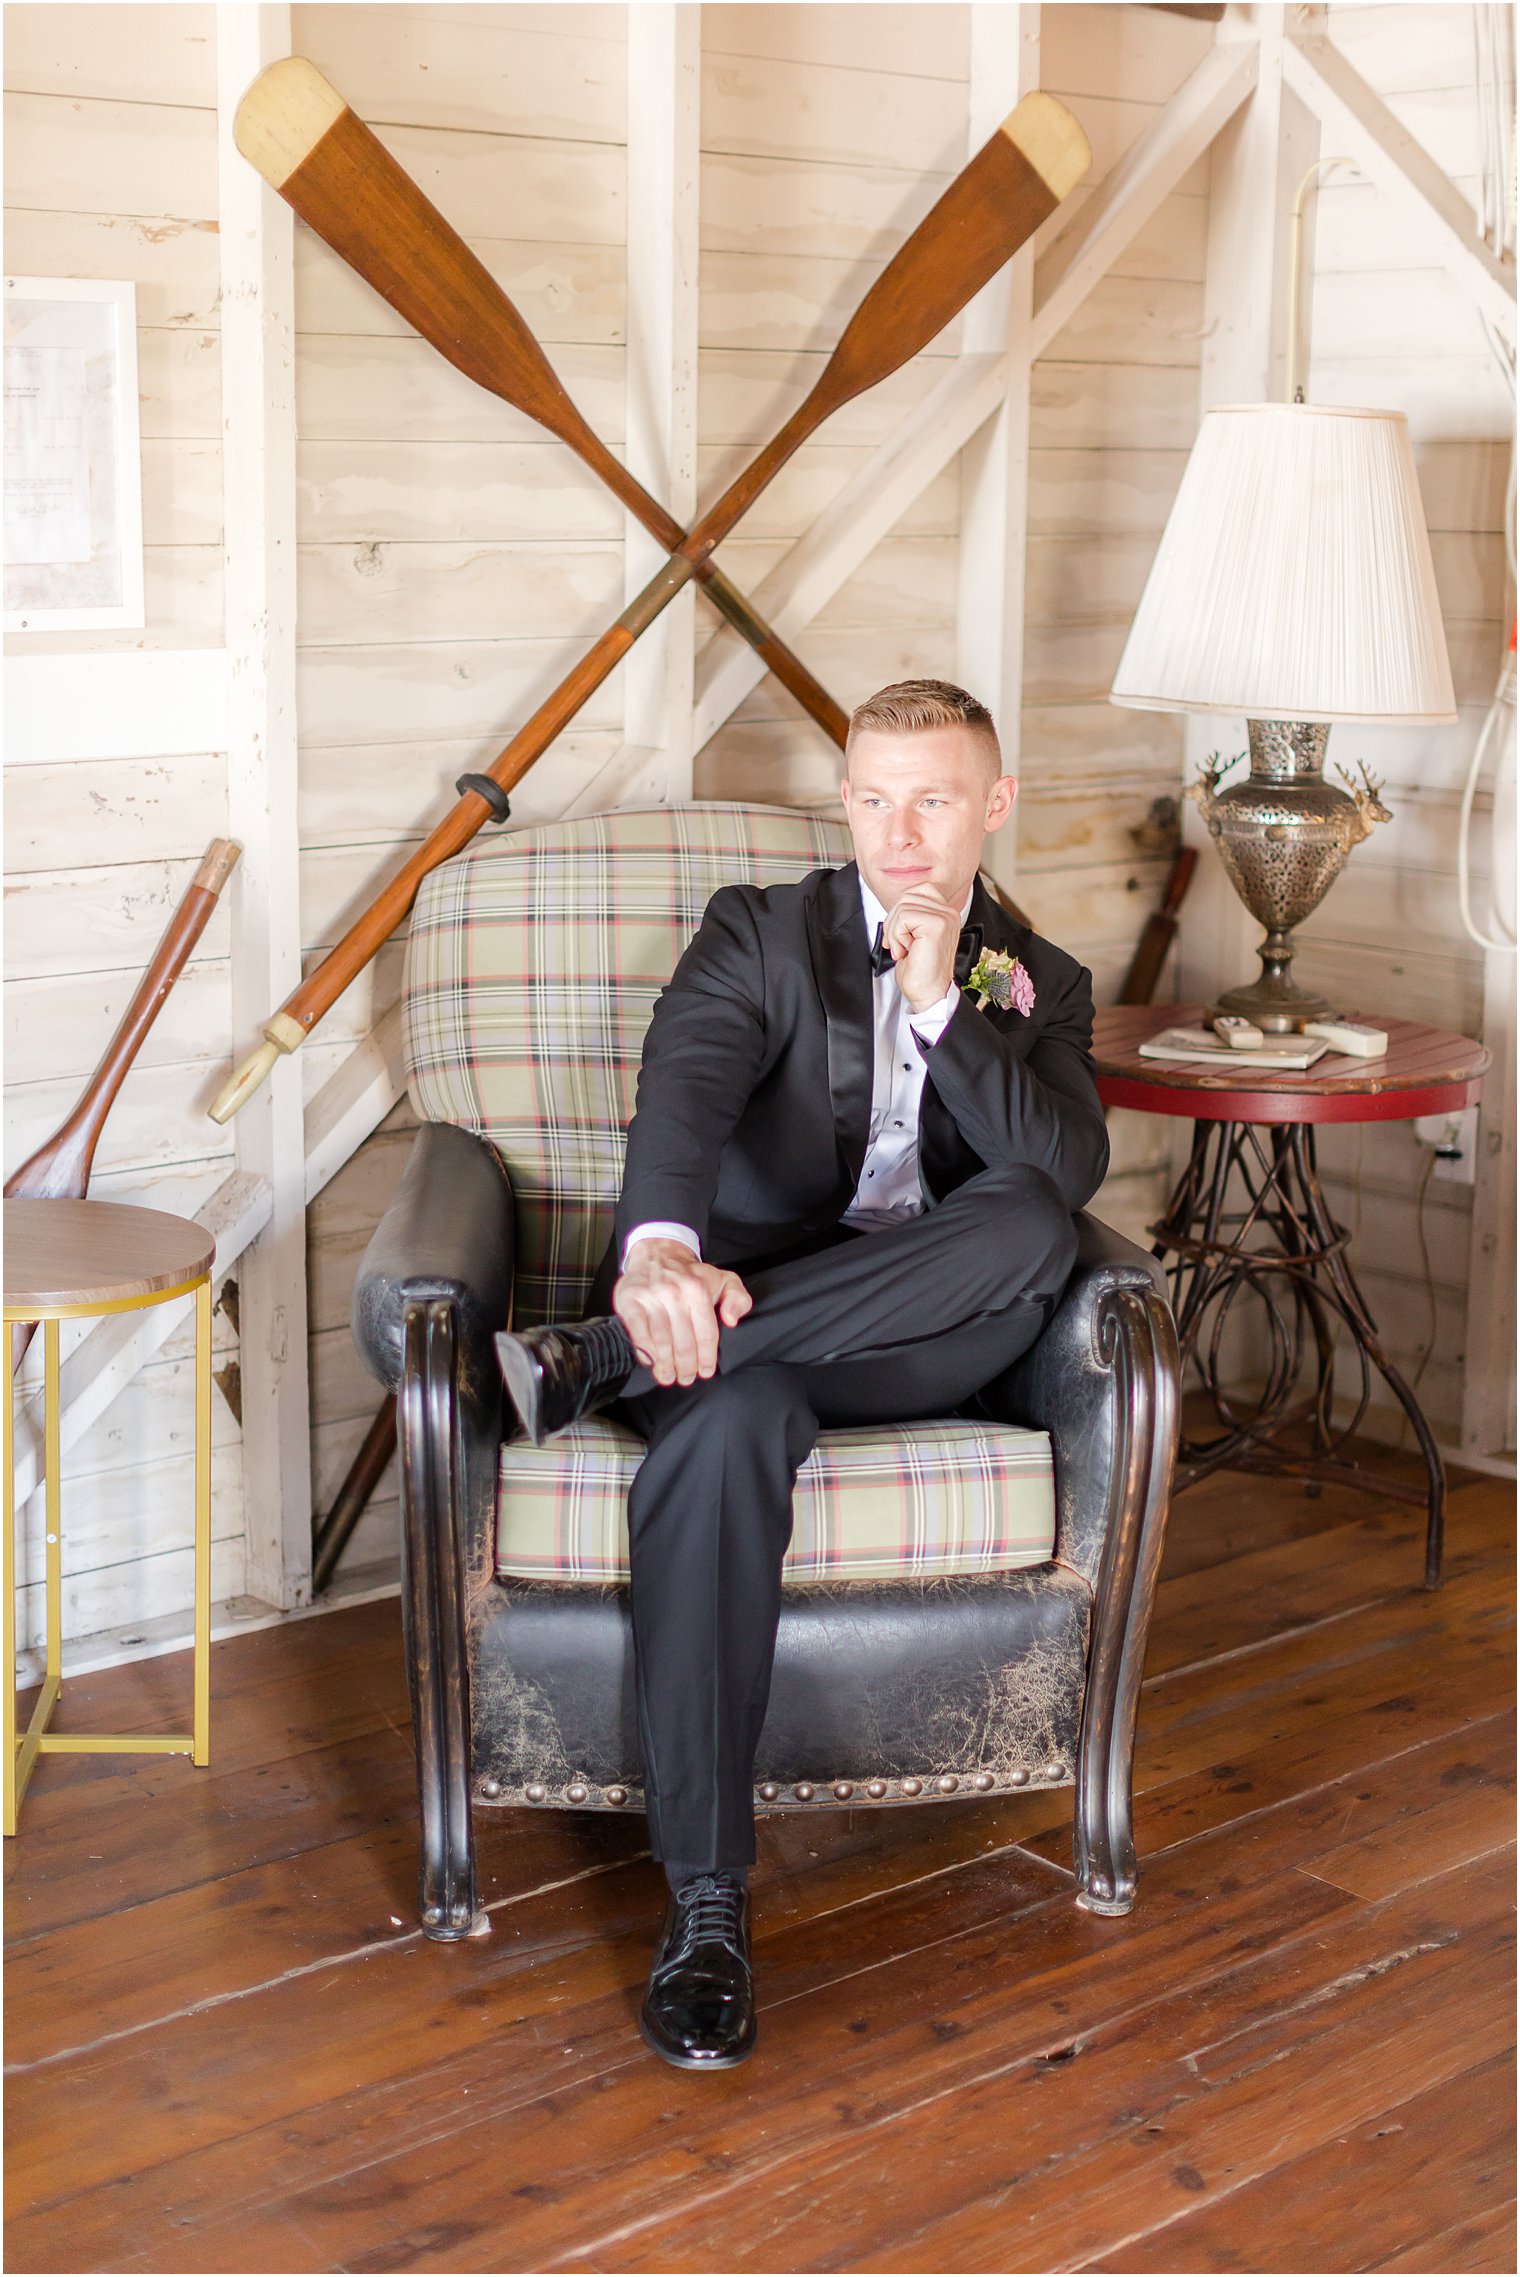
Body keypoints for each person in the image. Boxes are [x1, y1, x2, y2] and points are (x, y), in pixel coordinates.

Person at [495, 678, 1109, 2070]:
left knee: (1026, 1216)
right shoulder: (758, 934)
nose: (902, 834)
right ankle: (708, 1906)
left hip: (924, 1345)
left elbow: (1066, 1171)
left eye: (936, 799)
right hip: (716, 1343)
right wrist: (656, 1259)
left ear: (993, 807)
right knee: (720, 1433)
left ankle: (586, 1365)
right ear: (845, 803)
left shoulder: (1041, 983)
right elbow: (687, 1086)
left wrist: (948, 1007)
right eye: (875, 797)